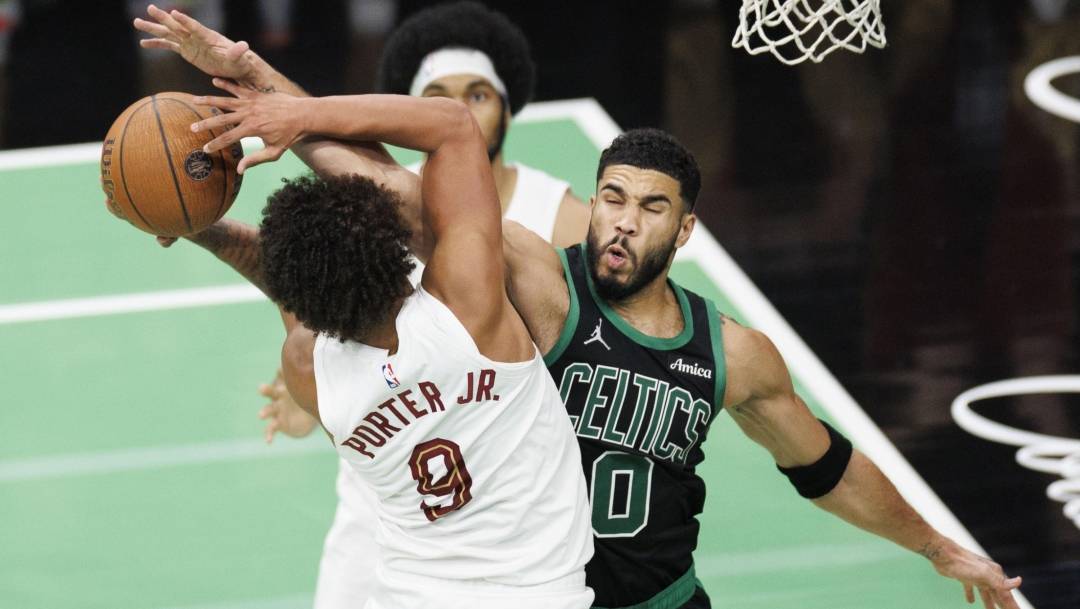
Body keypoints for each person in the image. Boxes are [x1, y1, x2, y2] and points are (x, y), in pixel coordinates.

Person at [130, 8, 1024, 609]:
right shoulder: (524, 279)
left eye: (652, 207)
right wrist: (260, 81)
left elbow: (827, 465)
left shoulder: (733, 354)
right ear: (589, 201)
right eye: (614, 198)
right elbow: (375, 184)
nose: (624, 222)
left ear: (689, 229)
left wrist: (937, 545)